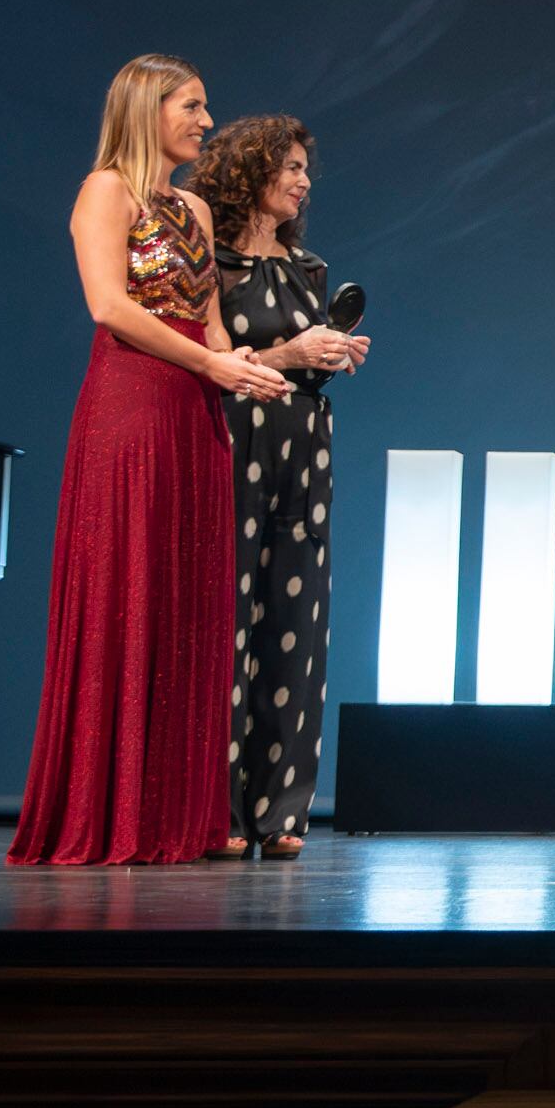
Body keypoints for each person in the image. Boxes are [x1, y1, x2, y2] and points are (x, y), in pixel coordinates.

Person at [9, 56, 292, 866]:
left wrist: (263, 363)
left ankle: (174, 814)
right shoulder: (107, 190)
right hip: (129, 411)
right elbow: (109, 305)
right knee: (126, 593)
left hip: (193, 418)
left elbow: (212, 332)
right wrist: (212, 367)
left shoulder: (194, 207)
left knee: (186, 605)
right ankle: (108, 812)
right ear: (147, 108)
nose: (207, 121)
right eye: (193, 106)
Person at [195, 115, 368, 859]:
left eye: (305, 169)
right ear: (249, 174)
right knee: (230, 616)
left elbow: (301, 358)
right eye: (289, 167)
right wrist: (287, 349)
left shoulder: (310, 269)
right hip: (236, 438)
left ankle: (283, 809)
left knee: (295, 619)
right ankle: (226, 810)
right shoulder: (218, 263)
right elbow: (210, 359)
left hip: (304, 446)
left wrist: (331, 354)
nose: (302, 181)